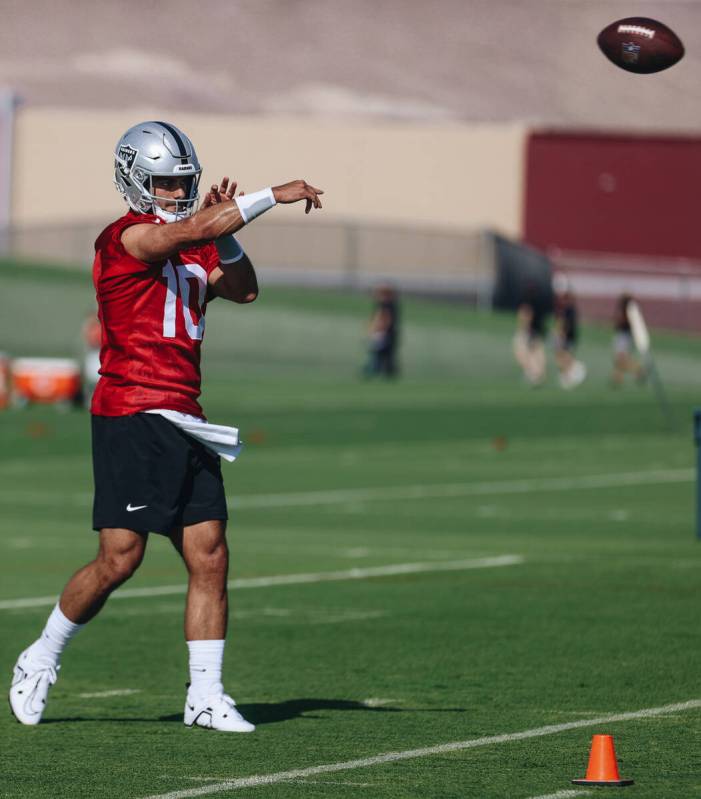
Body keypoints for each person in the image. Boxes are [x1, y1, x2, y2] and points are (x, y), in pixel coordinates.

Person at [8, 121, 323, 732]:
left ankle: (204, 694)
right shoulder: (122, 239)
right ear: (133, 179)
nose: (178, 192)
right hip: (132, 412)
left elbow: (245, 289)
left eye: (184, 183)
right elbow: (186, 232)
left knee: (210, 555)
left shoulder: (195, 240)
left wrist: (225, 231)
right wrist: (265, 197)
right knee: (119, 559)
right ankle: (41, 655)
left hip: (185, 415)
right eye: (166, 183)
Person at [552, 279, 586, 389]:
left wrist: (560, 333)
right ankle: (567, 376)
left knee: (564, 357)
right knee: (561, 356)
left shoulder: (567, 307)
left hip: (567, 335)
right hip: (566, 334)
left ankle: (572, 374)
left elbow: (565, 323)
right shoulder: (565, 305)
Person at [513, 288, 548, 386]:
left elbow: (526, 318)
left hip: (531, 332)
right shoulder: (539, 303)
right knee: (534, 353)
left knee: (526, 353)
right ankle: (536, 374)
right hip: (537, 332)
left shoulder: (529, 305)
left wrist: (525, 330)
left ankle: (534, 374)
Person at [363, 284, 400, 378]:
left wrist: (376, 329)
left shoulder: (387, 305)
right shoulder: (388, 305)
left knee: (381, 355)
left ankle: (376, 372)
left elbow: (385, 320)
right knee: (382, 355)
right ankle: (384, 372)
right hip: (386, 334)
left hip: (384, 335)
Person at [611, 293, 645, 386]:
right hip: (625, 336)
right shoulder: (629, 310)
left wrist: (618, 321)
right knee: (620, 359)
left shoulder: (627, 311)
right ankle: (618, 378)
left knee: (621, 359)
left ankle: (638, 370)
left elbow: (622, 322)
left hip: (624, 336)